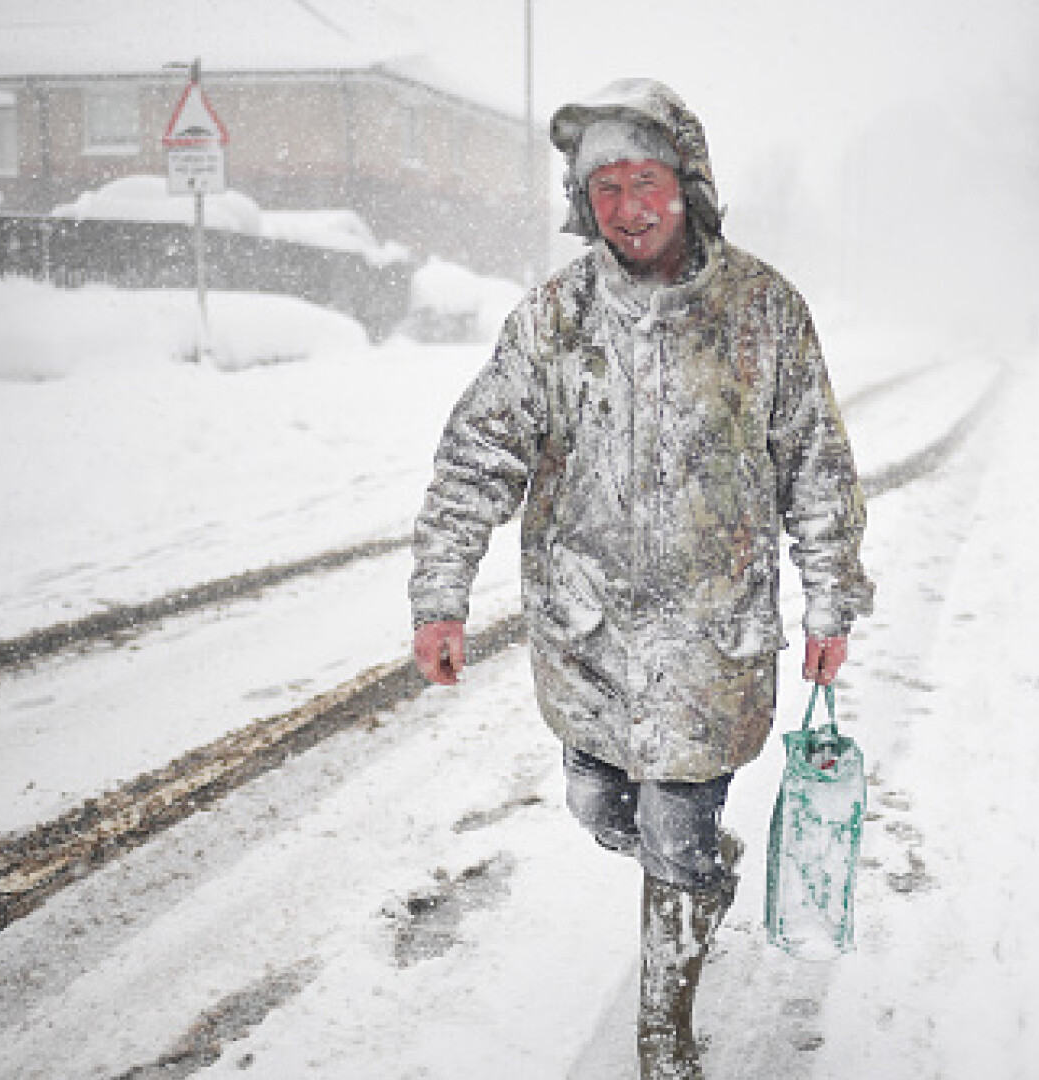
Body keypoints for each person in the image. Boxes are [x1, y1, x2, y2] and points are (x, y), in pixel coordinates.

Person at [408, 77, 873, 1079]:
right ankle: (701, 876)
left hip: (714, 642)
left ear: (689, 183)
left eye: (645, 179)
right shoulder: (557, 319)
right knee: (600, 810)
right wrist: (440, 596)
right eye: (604, 185)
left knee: (674, 826)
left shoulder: (761, 311)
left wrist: (831, 597)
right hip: (590, 642)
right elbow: (477, 452)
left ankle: (665, 1027)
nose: (627, 206)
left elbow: (816, 465)